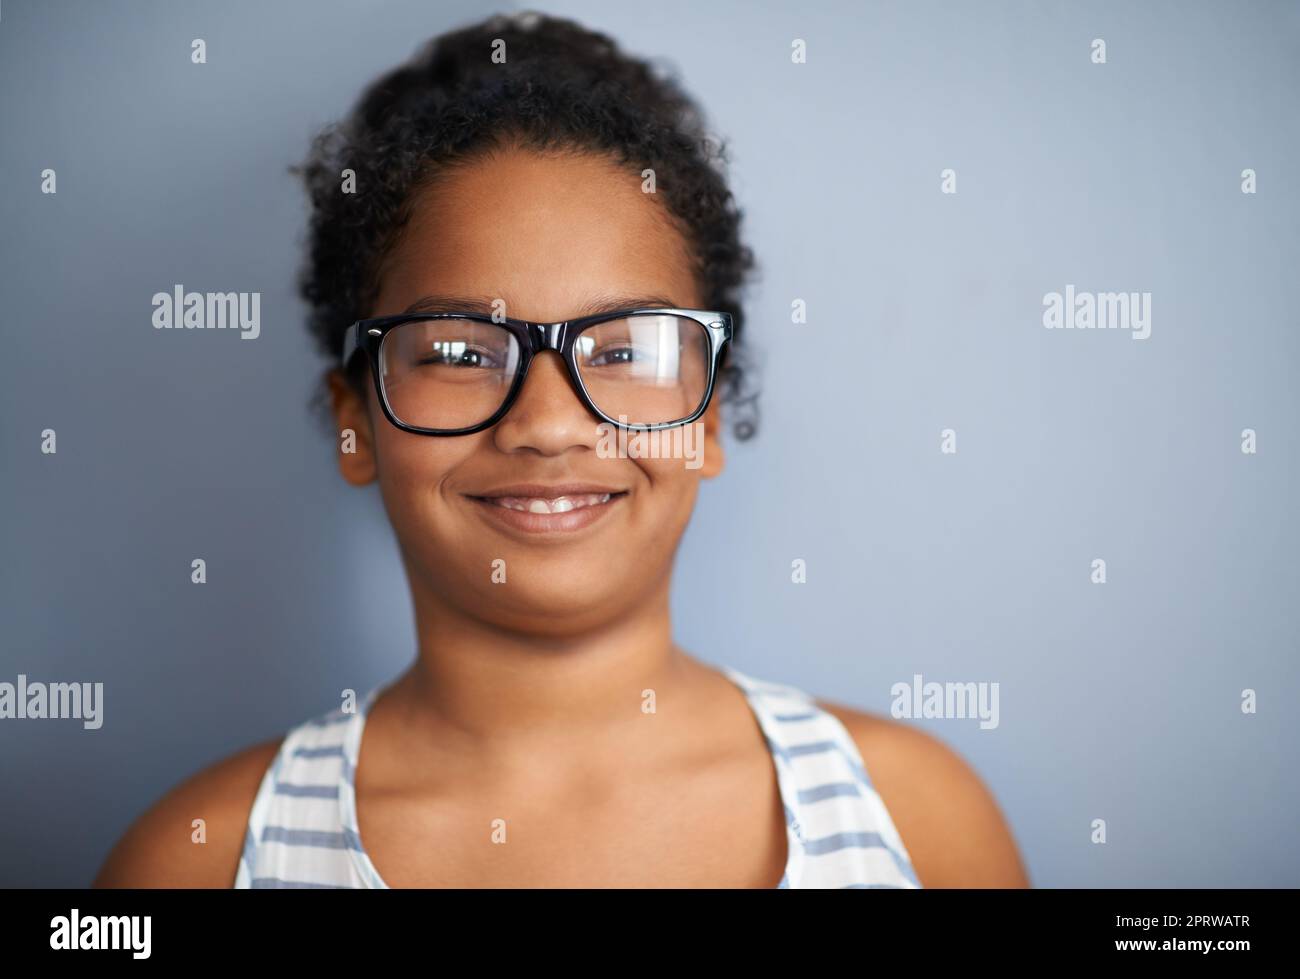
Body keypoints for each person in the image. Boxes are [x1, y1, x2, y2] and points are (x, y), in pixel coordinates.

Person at [95, 11, 1029, 889]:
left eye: (624, 350)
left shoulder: (918, 816)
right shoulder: (199, 858)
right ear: (355, 420)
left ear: (706, 418)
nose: (546, 423)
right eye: (461, 352)